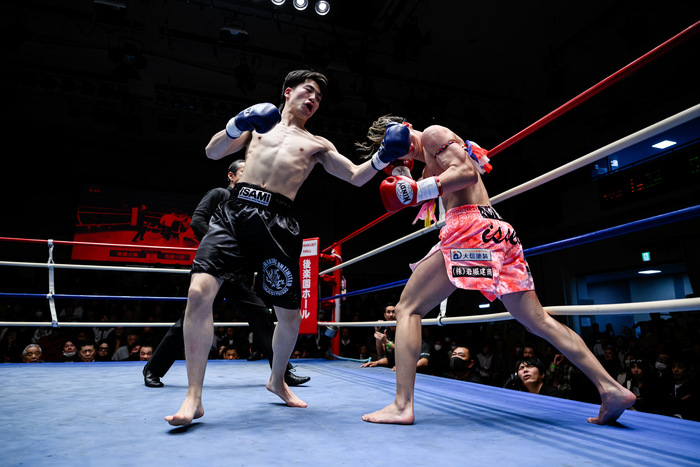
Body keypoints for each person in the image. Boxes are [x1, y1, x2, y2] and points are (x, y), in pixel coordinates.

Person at [165, 69, 407, 426]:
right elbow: (212, 151)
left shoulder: (317, 144)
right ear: (288, 92)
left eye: (319, 98)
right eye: (308, 91)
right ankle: (193, 398)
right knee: (199, 292)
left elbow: (356, 177)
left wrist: (384, 155)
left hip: (278, 224)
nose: (313, 100)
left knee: (290, 317)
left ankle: (277, 380)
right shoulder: (258, 124)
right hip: (235, 212)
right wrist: (236, 123)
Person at [359, 115, 636, 425]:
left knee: (407, 309)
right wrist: (402, 175)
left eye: (396, 140)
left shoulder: (434, 134)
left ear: (405, 128)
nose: (402, 149)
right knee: (539, 320)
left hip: (470, 229)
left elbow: (465, 173)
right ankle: (611, 389)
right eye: (393, 152)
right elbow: (419, 193)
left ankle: (402, 405)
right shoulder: (425, 168)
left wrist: (419, 187)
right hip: (497, 231)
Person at [143, 160, 310, 388]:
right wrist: (219, 247)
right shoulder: (219, 194)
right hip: (216, 267)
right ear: (231, 176)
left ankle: (282, 373)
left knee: (262, 316)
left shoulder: (255, 203)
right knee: (188, 322)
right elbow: (197, 221)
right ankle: (152, 370)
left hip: (238, 274)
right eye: (244, 171)